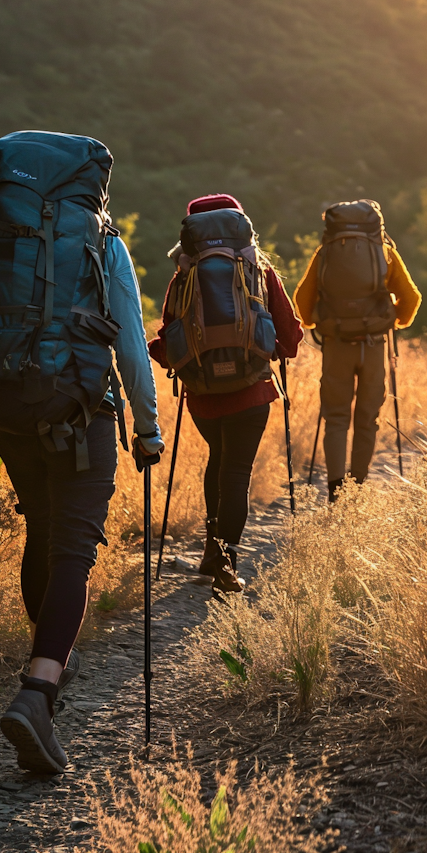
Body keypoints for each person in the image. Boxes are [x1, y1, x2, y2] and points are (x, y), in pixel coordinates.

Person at [0, 130, 162, 776]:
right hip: (78, 407)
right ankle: (38, 691)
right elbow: (128, 347)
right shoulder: (101, 242)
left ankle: (49, 663)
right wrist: (147, 429)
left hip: (4, 398)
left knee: (42, 524)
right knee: (75, 548)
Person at [149, 194, 303, 589]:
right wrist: (274, 350)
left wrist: (167, 357)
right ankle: (225, 561)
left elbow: (167, 341)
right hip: (252, 391)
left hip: (203, 394)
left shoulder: (184, 275)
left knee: (218, 459)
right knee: (236, 472)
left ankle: (211, 551)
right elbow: (289, 335)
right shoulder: (258, 269)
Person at [292, 199, 419, 500]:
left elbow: (302, 300)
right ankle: (357, 487)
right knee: (368, 418)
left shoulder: (325, 254)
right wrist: (392, 321)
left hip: (336, 344)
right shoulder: (385, 252)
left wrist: (315, 322)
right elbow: (412, 298)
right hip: (373, 346)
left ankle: (336, 491)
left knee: (336, 417)